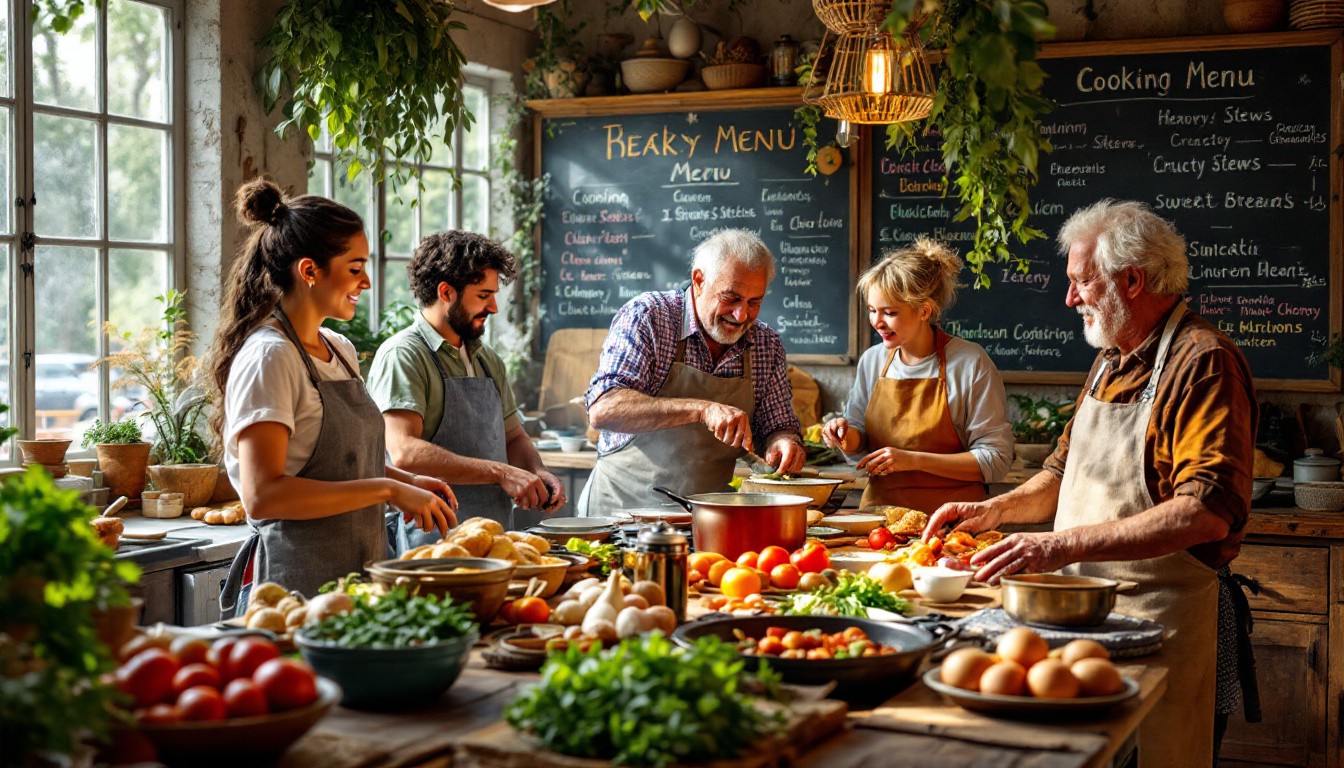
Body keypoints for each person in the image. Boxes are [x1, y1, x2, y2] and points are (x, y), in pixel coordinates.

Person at [923, 199, 1257, 768]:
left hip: (1160, 622)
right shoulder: (1111, 359)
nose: (1070, 298)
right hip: (1085, 616)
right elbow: (1060, 472)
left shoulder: (1202, 362)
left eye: (1082, 282)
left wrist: (1057, 545)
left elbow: (1204, 513)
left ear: (1131, 279)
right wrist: (996, 512)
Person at [216, 179, 457, 615]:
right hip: (293, 594)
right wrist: (386, 489)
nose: (366, 281)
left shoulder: (339, 350)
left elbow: (341, 461)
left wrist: (406, 483)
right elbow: (263, 495)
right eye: (355, 267)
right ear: (309, 271)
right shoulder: (270, 358)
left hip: (359, 581)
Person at [581, 229, 804, 514]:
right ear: (699, 281)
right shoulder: (649, 317)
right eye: (731, 297)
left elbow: (776, 427)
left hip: (708, 520)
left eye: (754, 302)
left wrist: (784, 443)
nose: (741, 315)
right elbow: (604, 409)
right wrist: (702, 410)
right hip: (624, 514)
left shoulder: (765, 344)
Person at [368, 231, 565, 547]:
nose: (494, 307)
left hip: (496, 541)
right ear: (446, 292)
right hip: (433, 545)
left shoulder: (487, 359)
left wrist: (536, 471)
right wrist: (500, 473)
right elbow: (404, 452)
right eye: (484, 295)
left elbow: (514, 436)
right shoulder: (404, 355)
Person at [821, 239, 1012, 512]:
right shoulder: (872, 361)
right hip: (879, 518)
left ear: (924, 311)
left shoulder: (970, 363)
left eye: (890, 312)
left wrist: (913, 460)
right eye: (872, 310)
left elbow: (996, 460)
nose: (877, 322)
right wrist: (844, 436)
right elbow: (860, 442)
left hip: (955, 519)